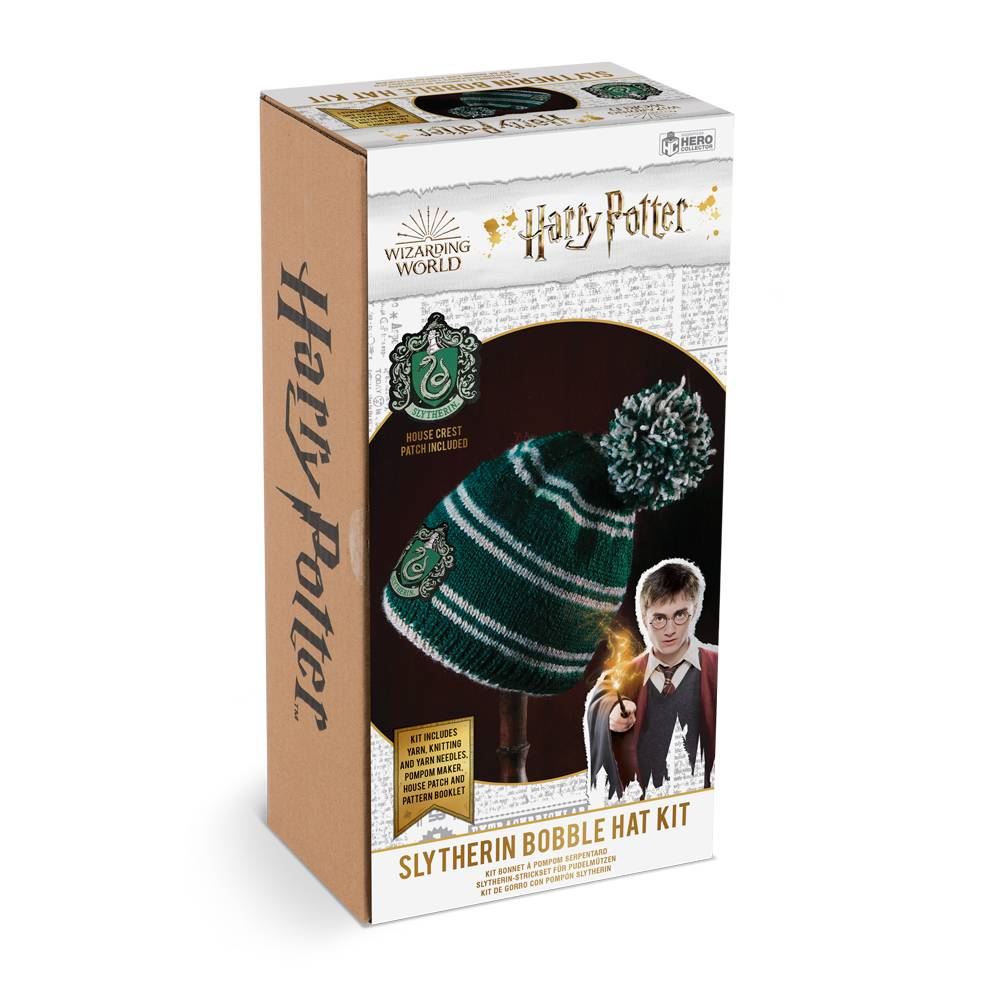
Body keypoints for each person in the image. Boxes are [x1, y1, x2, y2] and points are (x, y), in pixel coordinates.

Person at [585, 558, 718, 799]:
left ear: (695, 611)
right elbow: (604, 696)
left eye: (680, 615)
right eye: (659, 618)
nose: (670, 629)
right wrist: (611, 712)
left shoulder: (718, 668)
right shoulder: (625, 675)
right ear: (644, 618)